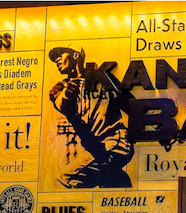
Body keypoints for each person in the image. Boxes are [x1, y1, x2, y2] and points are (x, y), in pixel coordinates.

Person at [48, 46, 134, 188]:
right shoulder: (59, 89)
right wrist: (77, 79)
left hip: (115, 142)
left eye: (59, 54)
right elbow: (64, 105)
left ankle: (115, 177)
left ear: (75, 55)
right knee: (109, 182)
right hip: (95, 147)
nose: (56, 59)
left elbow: (130, 104)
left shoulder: (102, 77)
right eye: (54, 57)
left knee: (67, 178)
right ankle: (117, 180)